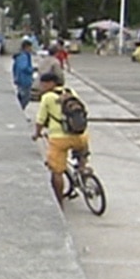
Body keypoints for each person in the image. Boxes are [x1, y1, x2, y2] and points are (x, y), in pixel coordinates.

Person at [32, 72, 90, 210]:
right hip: (80, 136)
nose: (41, 86)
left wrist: (37, 134)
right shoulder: (70, 92)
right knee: (81, 152)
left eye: (43, 83)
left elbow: (40, 120)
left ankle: (59, 204)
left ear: (51, 83)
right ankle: (84, 170)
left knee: (56, 172)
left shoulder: (47, 97)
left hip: (59, 139)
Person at [12, 39, 35, 110]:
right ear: (26, 47)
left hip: (21, 79)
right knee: (25, 97)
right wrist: (31, 70)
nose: (31, 49)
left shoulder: (21, 56)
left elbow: (14, 68)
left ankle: (20, 109)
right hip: (24, 80)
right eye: (30, 47)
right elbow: (24, 67)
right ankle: (20, 110)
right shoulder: (23, 56)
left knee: (22, 96)